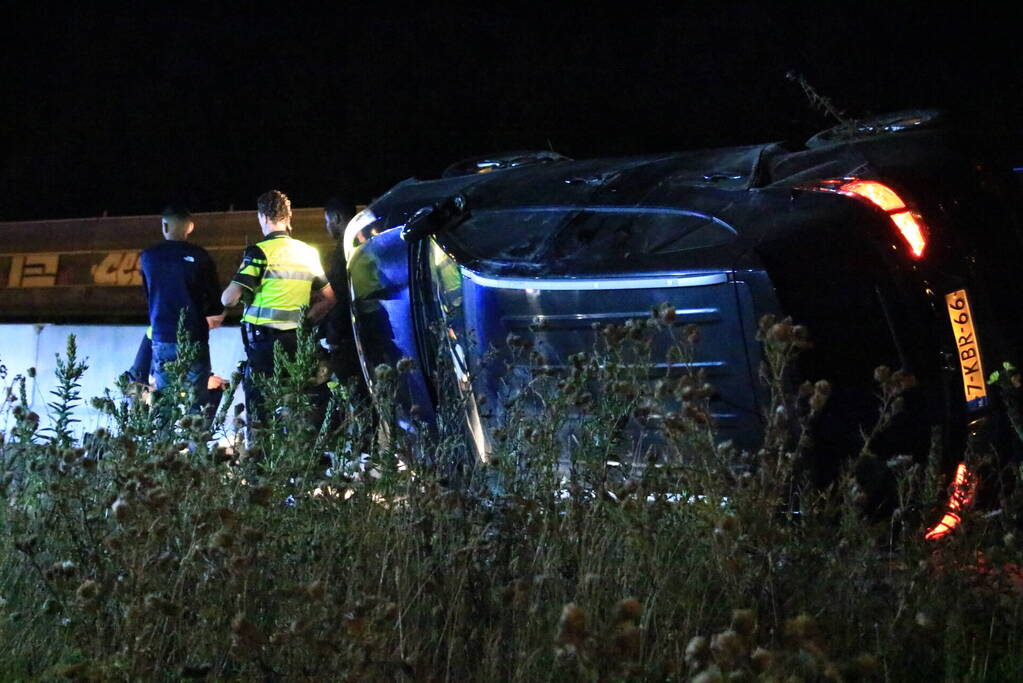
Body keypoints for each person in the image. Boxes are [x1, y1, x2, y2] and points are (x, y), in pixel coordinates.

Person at [221, 190, 336, 427]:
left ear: (263, 217)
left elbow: (229, 300)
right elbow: (329, 298)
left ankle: (260, 459)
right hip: (298, 344)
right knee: (301, 406)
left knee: (260, 411)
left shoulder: (259, 253)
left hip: (264, 347)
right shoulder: (308, 252)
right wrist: (305, 322)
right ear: (288, 217)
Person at [139, 206, 225, 410]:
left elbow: (148, 295)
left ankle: (164, 441)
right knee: (197, 403)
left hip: (162, 336)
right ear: (190, 228)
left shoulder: (148, 257)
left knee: (164, 402)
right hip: (194, 336)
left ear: (164, 225)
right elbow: (214, 300)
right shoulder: (201, 256)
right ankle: (196, 441)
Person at [321, 198, 367, 392]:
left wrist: (333, 337)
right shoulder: (364, 244)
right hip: (370, 329)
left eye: (327, 221)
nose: (326, 227)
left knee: (353, 394)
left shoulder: (342, 252)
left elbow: (339, 298)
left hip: (348, 338)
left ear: (337, 218)